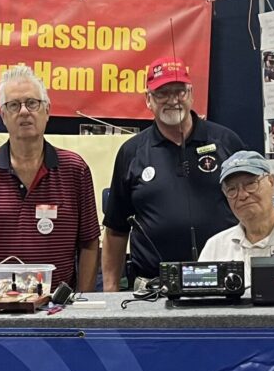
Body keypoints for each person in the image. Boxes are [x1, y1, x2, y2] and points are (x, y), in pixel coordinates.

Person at [102, 56, 245, 289]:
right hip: (152, 289)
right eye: (162, 93)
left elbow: (253, 211)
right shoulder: (131, 152)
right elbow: (116, 231)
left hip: (223, 284)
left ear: (191, 94)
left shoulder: (226, 142)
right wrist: (110, 292)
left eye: (179, 91)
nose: (173, 100)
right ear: (148, 99)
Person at [0, 65, 99, 290]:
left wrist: (82, 301)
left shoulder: (75, 169)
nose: (24, 111)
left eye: (32, 103)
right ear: (3, 115)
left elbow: (90, 242)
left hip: (58, 309)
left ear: (47, 111)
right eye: (13, 105)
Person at [199, 150, 274, 288]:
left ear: (271, 182)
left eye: (250, 184)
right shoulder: (215, 246)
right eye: (232, 189)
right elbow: (200, 301)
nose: (242, 195)